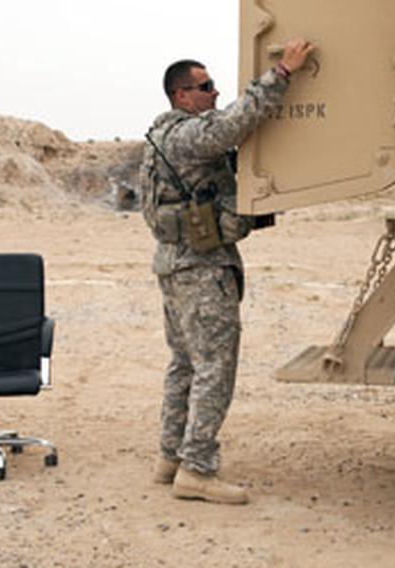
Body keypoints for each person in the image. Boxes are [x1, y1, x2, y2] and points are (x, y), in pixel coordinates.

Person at [141, 39, 315, 504]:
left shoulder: (161, 137)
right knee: (214, 368)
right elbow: (235, 123)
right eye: (206, 86)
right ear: (182, 95)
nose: (215, 93)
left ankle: (170, 458)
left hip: (177, 267)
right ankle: (197, 469)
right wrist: (282, 73)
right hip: (200, 271)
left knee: (184, 366)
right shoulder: (187, 136)